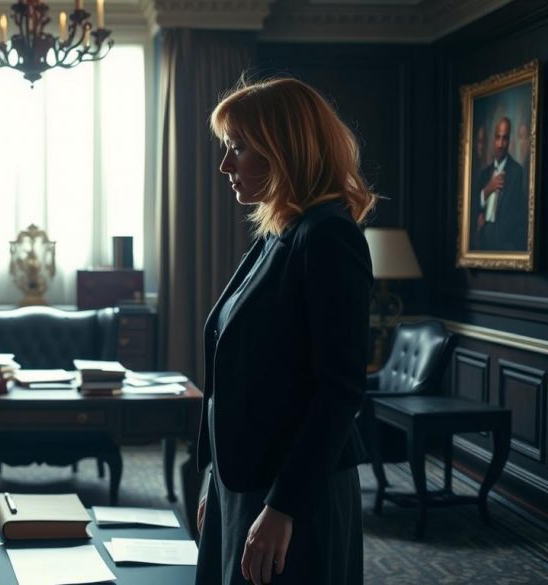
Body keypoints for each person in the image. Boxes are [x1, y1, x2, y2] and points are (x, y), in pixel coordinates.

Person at [195, 77, 375, 585]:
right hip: (247, 480)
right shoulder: (281, 232)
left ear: (283, 150)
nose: (225, 165)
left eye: (238, 148)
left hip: (293, 494)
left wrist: (283, 507)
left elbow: (339, 390)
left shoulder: (327, 236)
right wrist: (215, 479)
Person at [470, 116, 529, 251]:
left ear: (509, 141)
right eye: (498, 137)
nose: (500, 144)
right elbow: (472, 208)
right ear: (493, 139)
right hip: (483, 241)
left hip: (505, 244)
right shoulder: (484, 174)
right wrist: (487, 190)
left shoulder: (517, 172)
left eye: (505, 138)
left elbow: (520, 215)